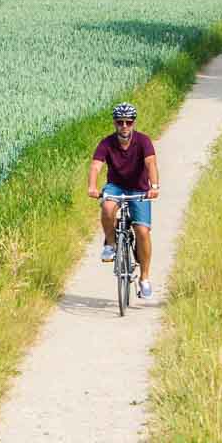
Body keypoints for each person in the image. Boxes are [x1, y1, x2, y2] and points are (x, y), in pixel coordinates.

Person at [87, 102, 161, 298]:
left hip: (139, 188)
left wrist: (154, 187)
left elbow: (151, 164)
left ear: (133, 122)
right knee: (107, 206)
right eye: (120, 122)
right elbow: (96, 166)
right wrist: (92, 187)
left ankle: (144, 278)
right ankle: (110, 244)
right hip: (116, 187)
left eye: (128, 122)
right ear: (115, 123)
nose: (124, 126)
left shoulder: (143, 141)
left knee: (142, 231)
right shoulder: (106, 143)